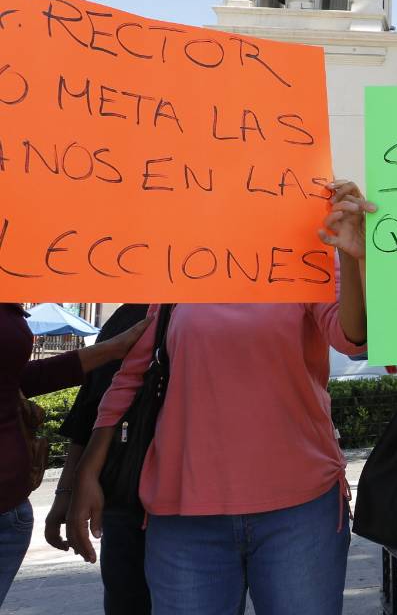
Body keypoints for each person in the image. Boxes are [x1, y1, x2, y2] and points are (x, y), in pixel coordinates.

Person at [67, 181, 371, 615]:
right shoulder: (182, 262)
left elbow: (353, 338)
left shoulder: (309, 250)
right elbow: (130, 377)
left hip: (300, 513)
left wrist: (350, 254)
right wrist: (84, 475)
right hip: (184, 520)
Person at [1, 303, 148, 606]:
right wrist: (71, 487)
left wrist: (108, 350)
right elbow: (93, 408)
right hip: (127, 506)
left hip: (8, 506)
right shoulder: (134, 313)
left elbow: (11, 380)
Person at [45, 303, 152, 615]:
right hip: (126, 496)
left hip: (200, 507)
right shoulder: (131, 315)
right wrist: (66, 492)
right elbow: (91, 408)